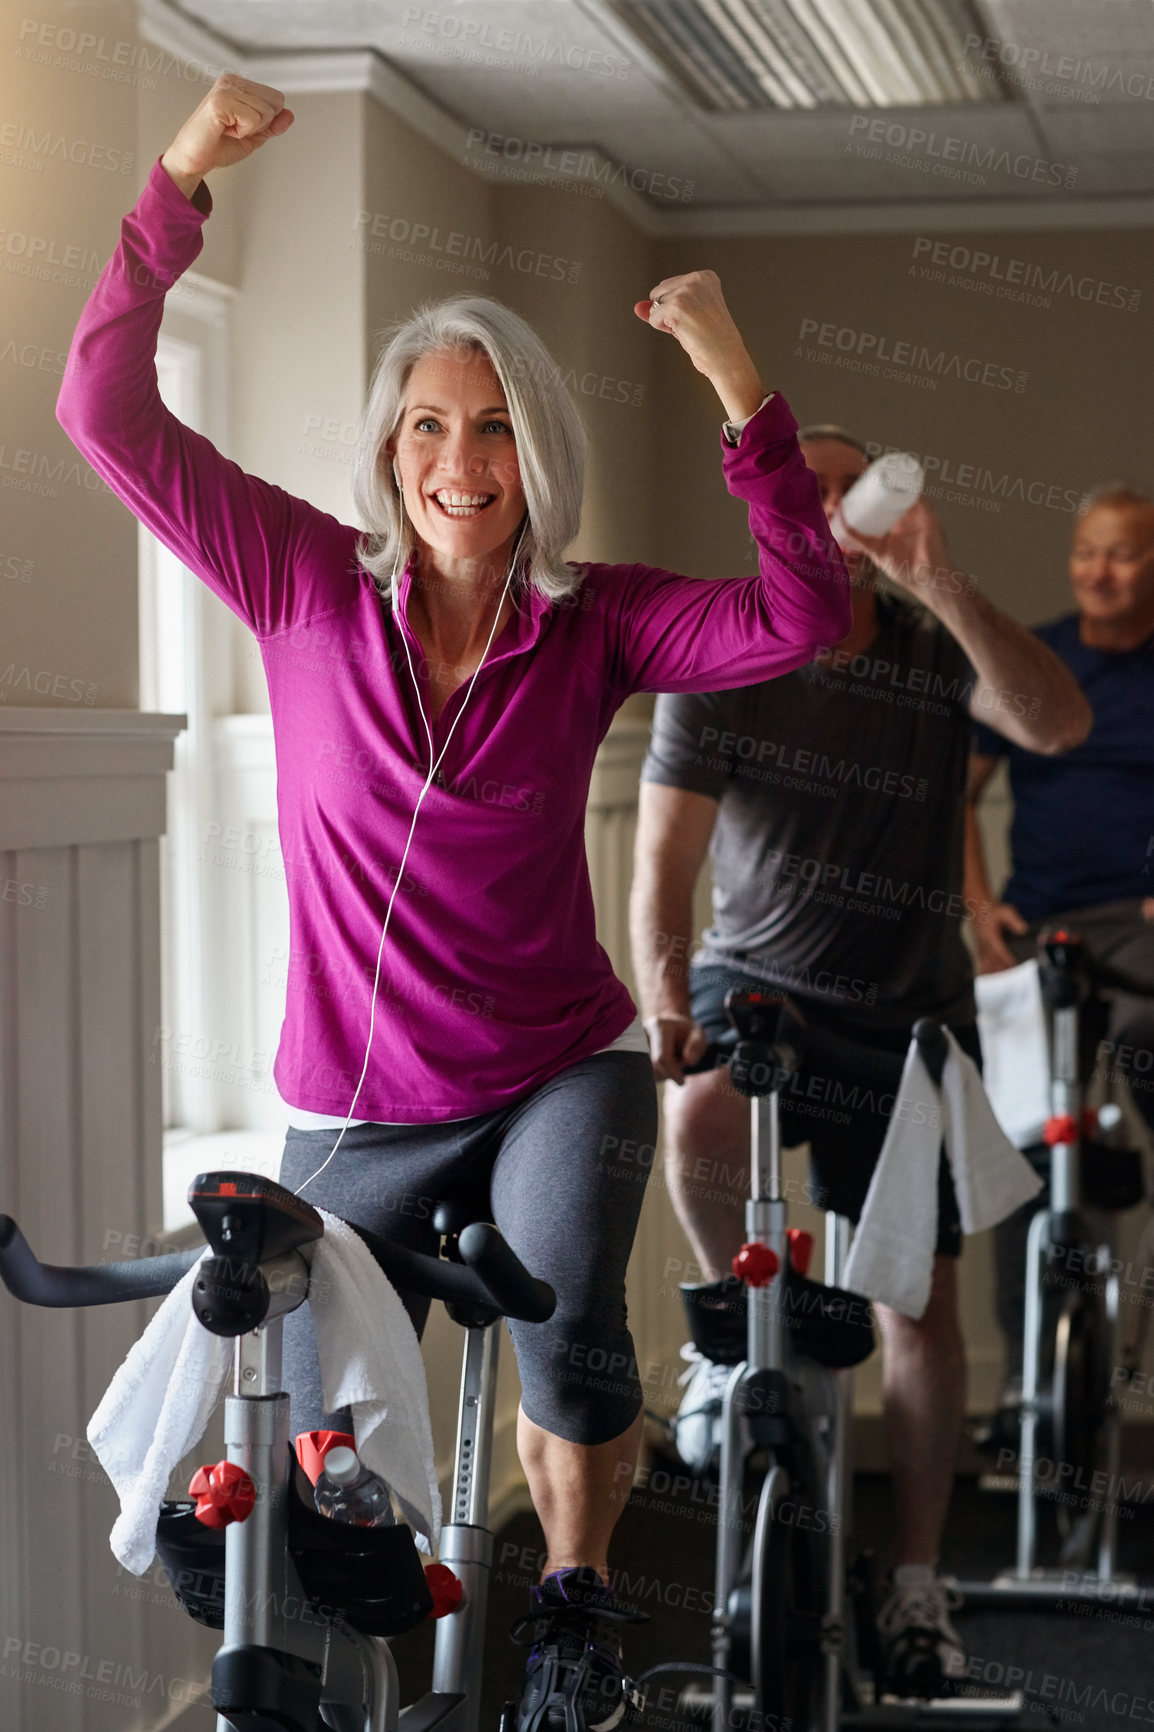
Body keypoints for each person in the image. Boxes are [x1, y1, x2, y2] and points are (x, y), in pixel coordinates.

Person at [56, 73, 852, 1731]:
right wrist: (178, 182)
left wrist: (731, 376)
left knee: (562, 1326)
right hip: (348, 1099)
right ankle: (330, 1600)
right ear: (382, 448)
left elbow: (797, 611)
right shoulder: (293, 575)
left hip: (556, 1060)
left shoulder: (599, 621)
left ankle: (564, 1604)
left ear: (531, 450)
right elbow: (102, 411)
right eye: (425, 423)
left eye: (490, 424)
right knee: (313, 1401)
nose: (457, 457)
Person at [630, 424, 1091, 1699]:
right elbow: (659, 868)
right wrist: (666, 997)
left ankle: (915, 1582)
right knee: (699, 1116)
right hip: (758, 981)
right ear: (766, 514)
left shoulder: (931, 649)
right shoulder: (719, 659)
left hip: (903, 1011)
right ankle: (732, 1343)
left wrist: (939, 579)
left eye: (847, 490)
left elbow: (1055, 723)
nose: (829, 510)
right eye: (806, 490)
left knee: (912, 1304)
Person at [966, 485, 1154, 1396]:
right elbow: (955, 794)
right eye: (1087, 553)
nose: (1099, 571)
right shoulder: (1040, 662)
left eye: (1121, 554)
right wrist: (976, 906)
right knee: (1028, 1153)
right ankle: (1035, 1390)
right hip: (1040, 930)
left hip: (1140, 929)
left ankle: (1126, 1355)